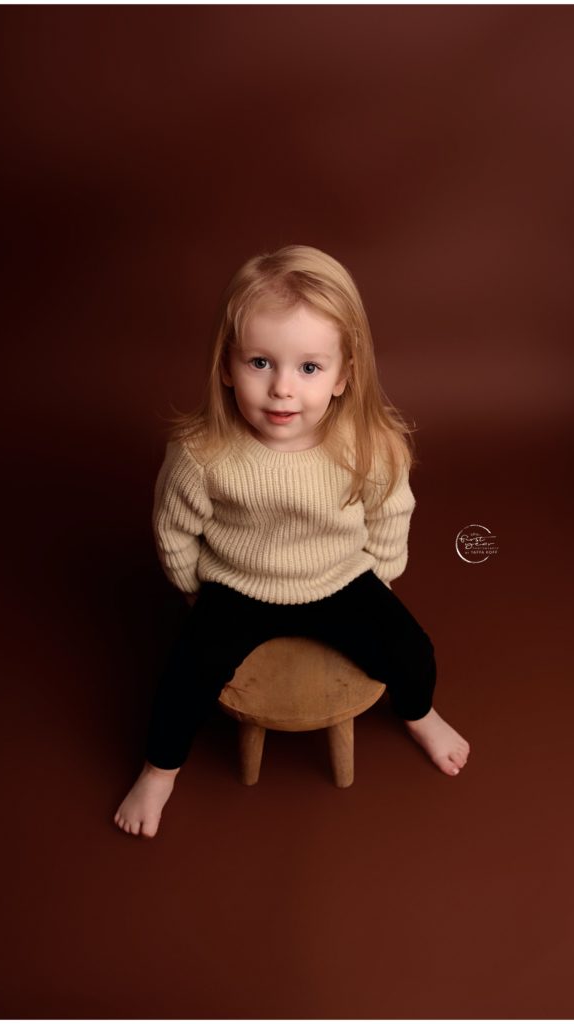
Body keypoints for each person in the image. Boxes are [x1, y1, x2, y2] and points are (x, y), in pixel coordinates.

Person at [114, 244, 470, 838]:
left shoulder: (369, 446)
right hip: (235, 583)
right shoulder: (202, 453)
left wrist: (380, 576)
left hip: (339, 578)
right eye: (260, 362)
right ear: (226, 366)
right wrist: (192, 588)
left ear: (344, 374)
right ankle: (159, 770)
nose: (282, 388)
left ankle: (419, 713)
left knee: (412, 650)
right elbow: (173, 525)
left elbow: (391, 513)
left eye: (308, 368)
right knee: (184, 677)